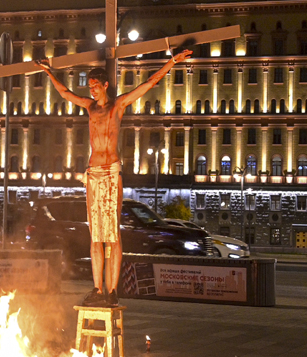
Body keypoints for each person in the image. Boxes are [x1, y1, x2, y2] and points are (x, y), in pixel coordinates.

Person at [38, 49, 192, 307]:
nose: (93, 91)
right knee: (95, 235)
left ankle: (112, 290)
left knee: (113, 236)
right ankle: (98, 289)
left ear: (106, 85)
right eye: (90, 87)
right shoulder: (88, 107)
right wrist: (48, 72)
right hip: (93, 174)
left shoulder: (117, 105)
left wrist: (172, 62)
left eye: (96, 86)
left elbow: (148, 84)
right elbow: (65, 93)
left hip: (111, 172)